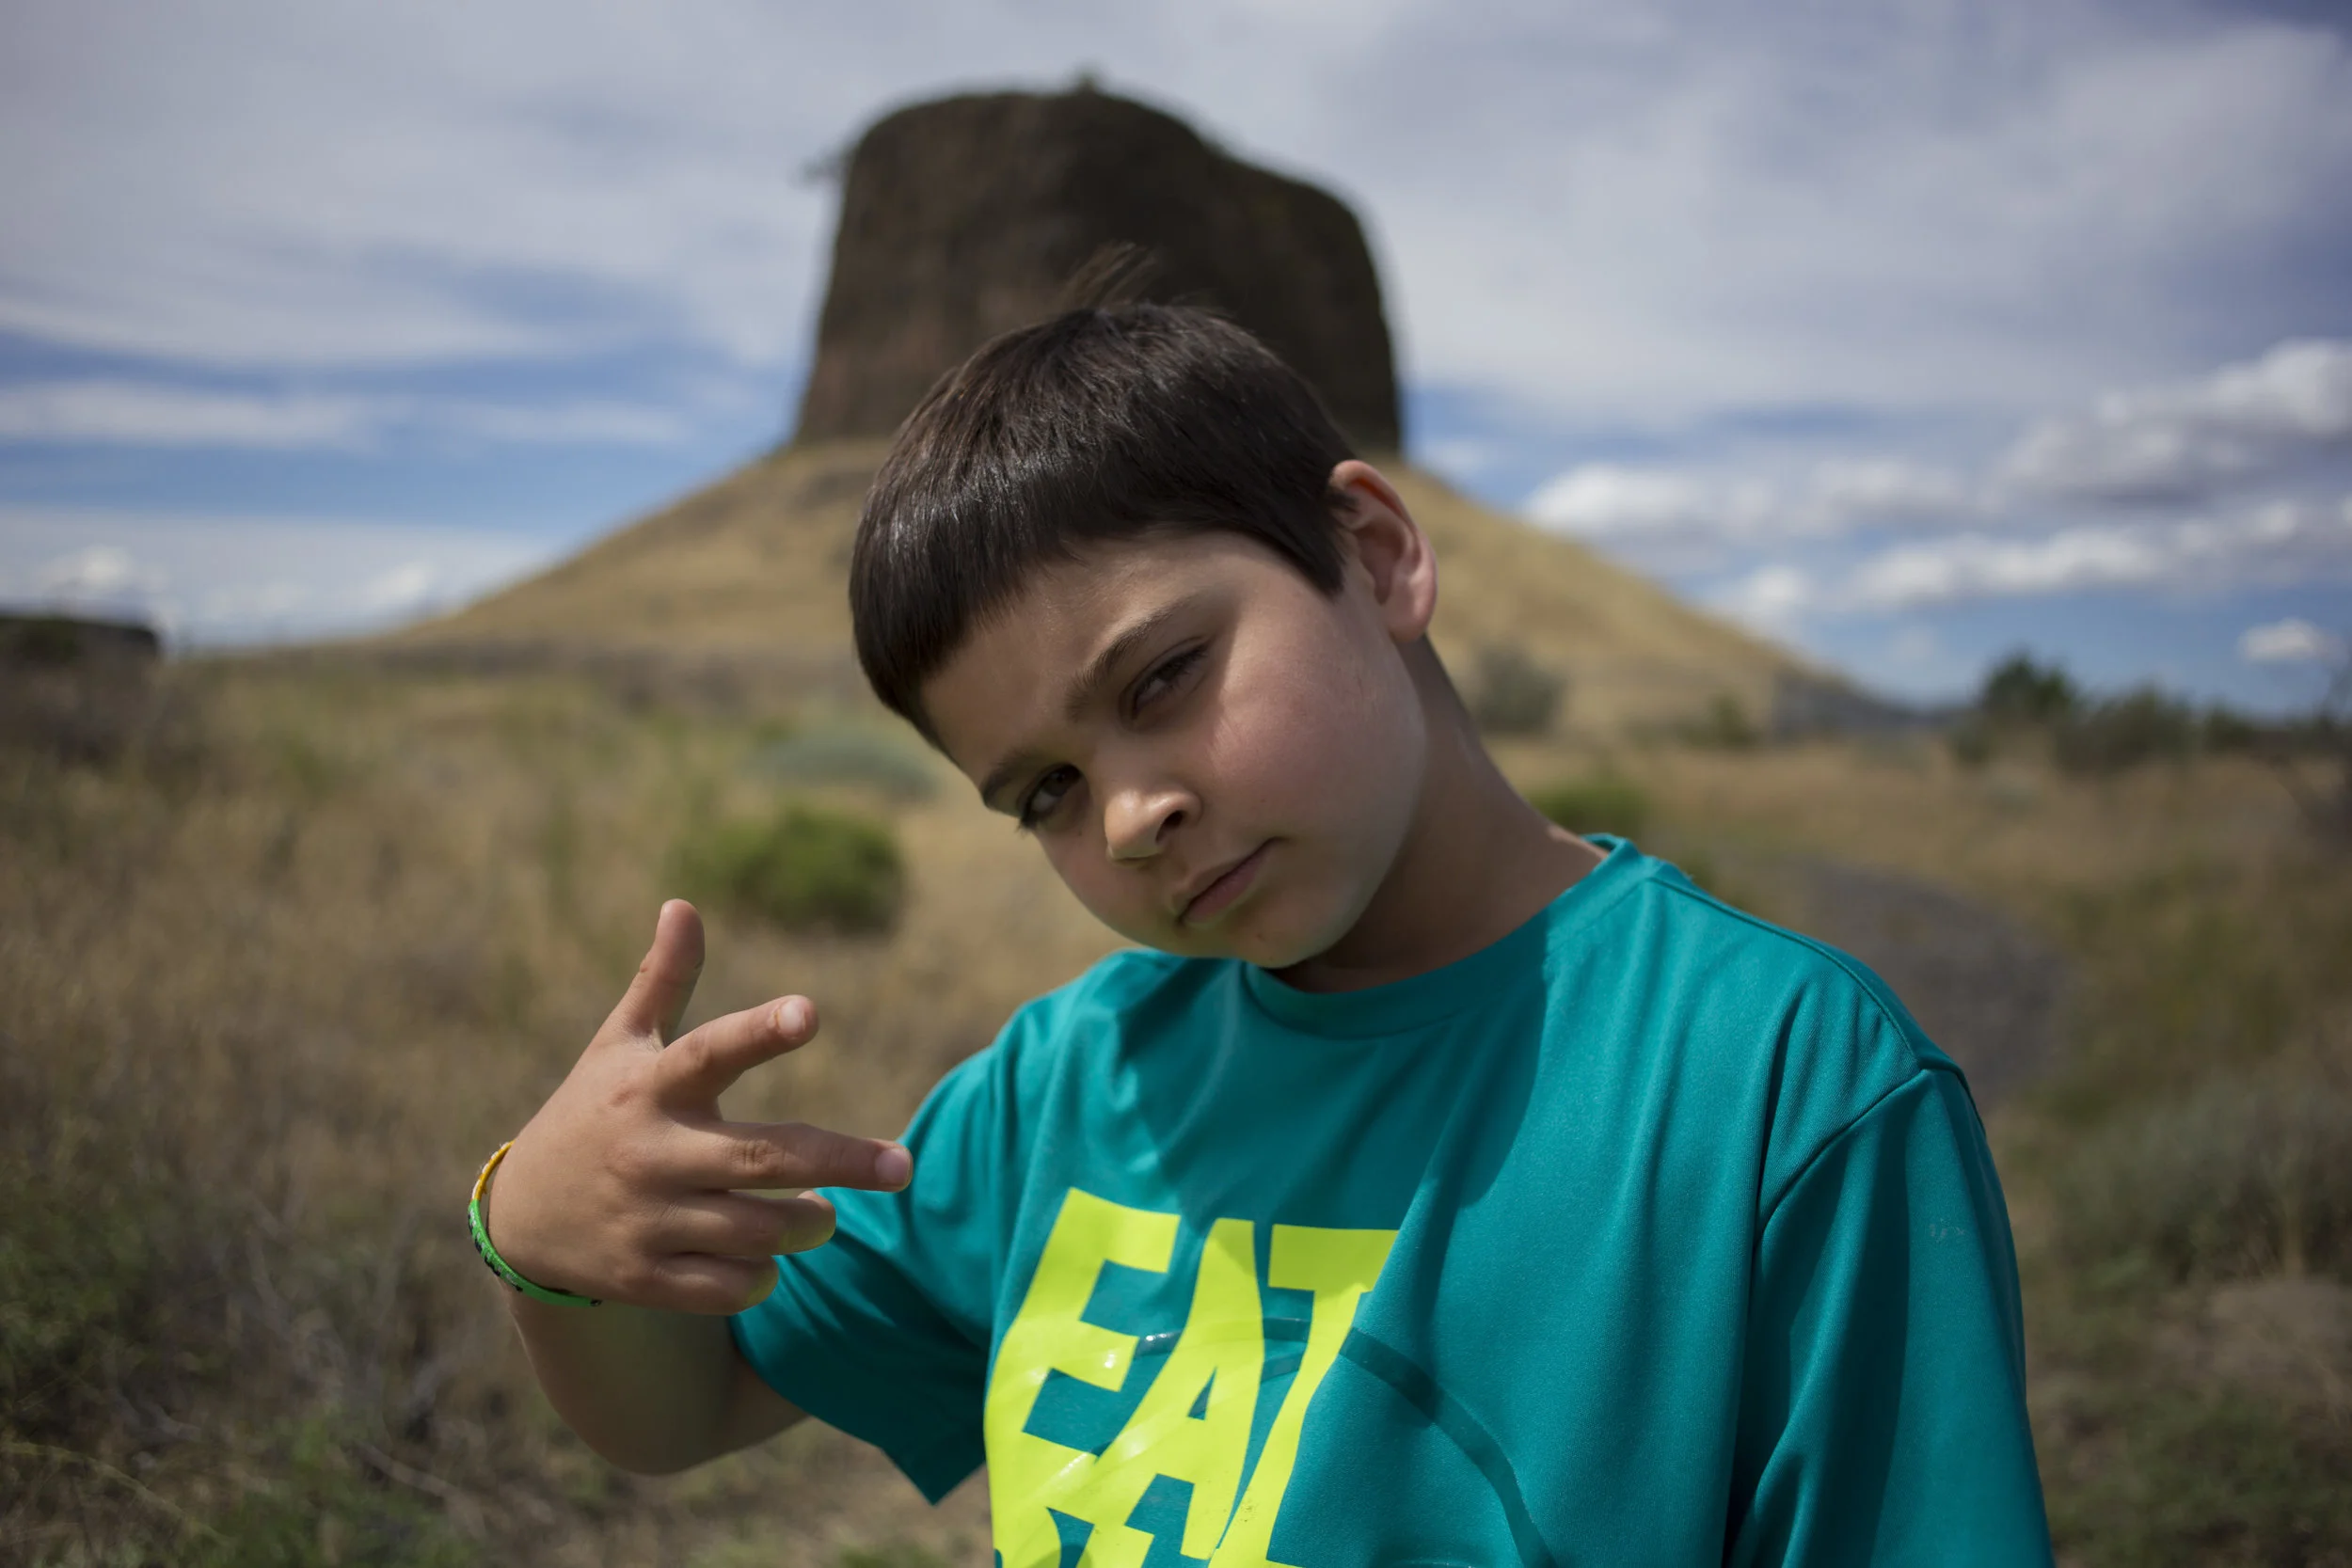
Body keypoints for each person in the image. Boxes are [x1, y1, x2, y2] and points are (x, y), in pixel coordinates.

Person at [476, 305, 2054, 1565]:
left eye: (1162, 678)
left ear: (1373, 557)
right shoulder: (1069, 1087)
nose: (1128, 816)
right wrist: (541, 1239)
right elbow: (695, 1402)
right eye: (1041, 791)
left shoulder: (1781, 1083)